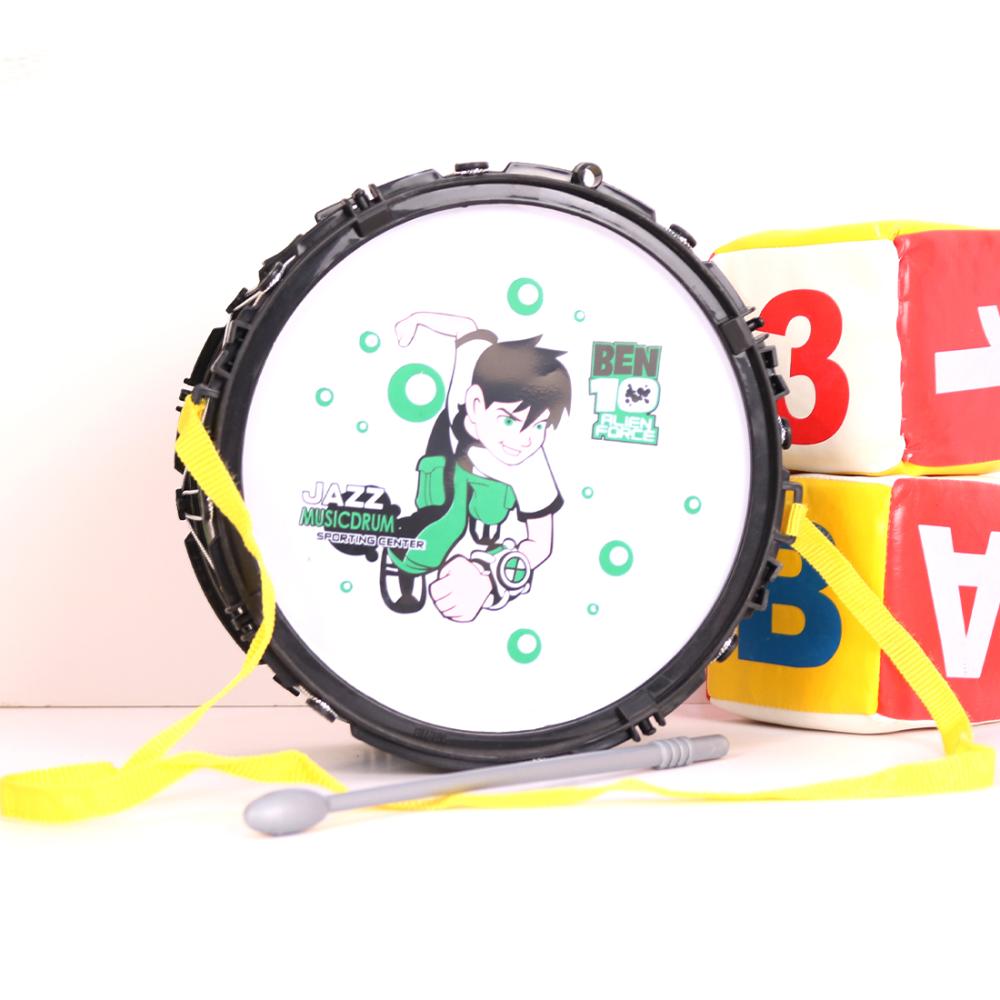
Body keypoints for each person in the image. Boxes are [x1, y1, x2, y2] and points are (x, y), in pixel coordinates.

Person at [381, 311, 571, 622]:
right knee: (442, 523)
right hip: (450, 456)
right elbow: (465, 327)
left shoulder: (532, 468)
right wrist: (415, 319)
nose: (523, 440)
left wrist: (489, 578)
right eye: (509, 421)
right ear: (475, 404)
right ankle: (403, 560)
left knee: (492, 511)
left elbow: (540, 544)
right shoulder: (467, 388)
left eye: (539, 427)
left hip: (494, 482)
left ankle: (485, 521)